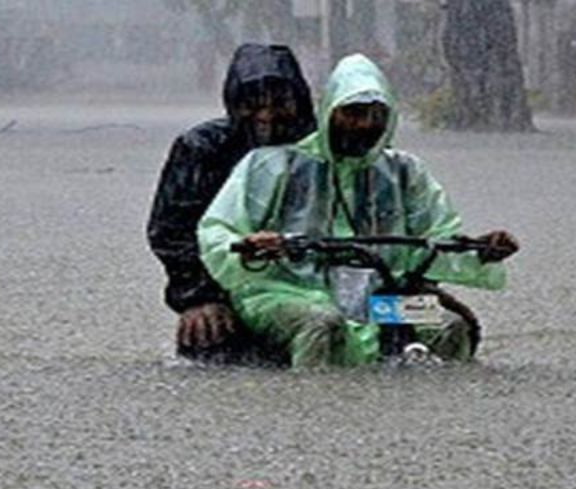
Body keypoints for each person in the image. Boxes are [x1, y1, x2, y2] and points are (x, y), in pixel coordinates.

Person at [197, 54, 519, 367]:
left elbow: (436, 239)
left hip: (379, 302)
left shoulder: (405, 172)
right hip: (287, 292)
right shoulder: (271, 165)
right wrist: (250, 248)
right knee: (323, 324)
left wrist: (480, 251)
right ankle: (312, 412)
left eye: (376, 115)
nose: (365, 124)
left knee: (449, 325)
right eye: (353, 113)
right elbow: (217, 230)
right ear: (329, 112)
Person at [148, 43, 316, 361]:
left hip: (318, 281)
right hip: (225, 285)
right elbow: (171, 231)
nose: (266, 115)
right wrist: (198, 297)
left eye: (280, 103)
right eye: (251, 104)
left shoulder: (323, 146)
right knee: (210, 337)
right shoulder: (202, 147)